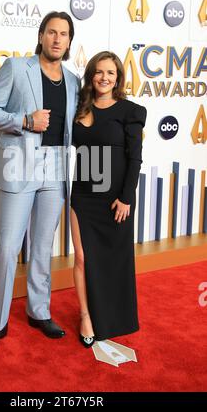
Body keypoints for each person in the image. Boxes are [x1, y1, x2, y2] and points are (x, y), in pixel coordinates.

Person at [0, 11, 80, 353]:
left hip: (56, 170)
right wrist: (23, 120)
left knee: (42, 246)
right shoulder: (17, 68)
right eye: (51, 32)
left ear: (68, 41)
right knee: (7, 247)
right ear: (41, 35)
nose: (56, 39)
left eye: (63, 34)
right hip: (19, 165)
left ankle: (39, 311)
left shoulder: (73, 79)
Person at [70, 51, 147, 347]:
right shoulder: (79, 108)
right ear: (91, 75)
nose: (104, 77)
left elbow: (135, 159)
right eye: (99, 71)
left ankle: (116, 316)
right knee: (81, 257)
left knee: (115, 260)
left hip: (116, 200)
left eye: (111, 73)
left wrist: (126, 198)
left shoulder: (130, 111)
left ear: (118, 78)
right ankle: (86, 315)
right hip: (82, 195)